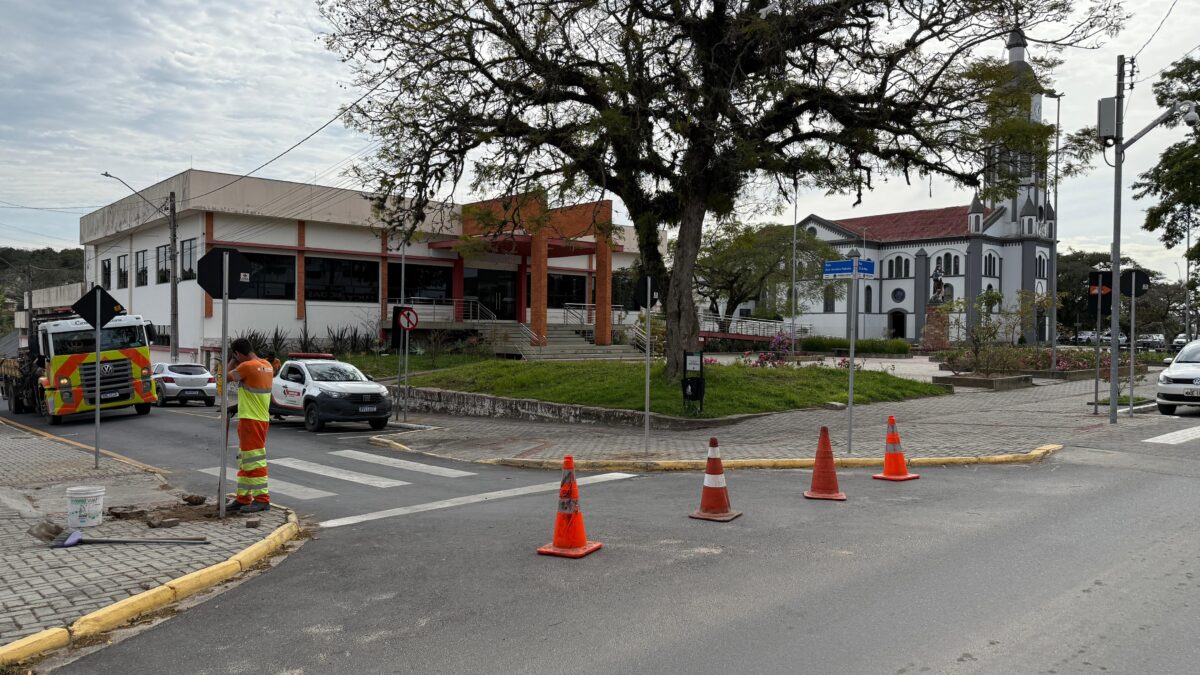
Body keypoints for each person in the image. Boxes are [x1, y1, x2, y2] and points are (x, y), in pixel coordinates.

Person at [225, 338, 274, 513]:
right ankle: (243, 498)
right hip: (260, 418)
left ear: (238, 354)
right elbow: (256, 394)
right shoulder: (267, 365)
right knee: (246, 461)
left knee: (254, 460)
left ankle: (262, 500)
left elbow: (224, 379)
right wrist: (238, 407)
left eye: (236, 355)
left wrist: (231, 360)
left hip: (250, 421)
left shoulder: (246, 367)